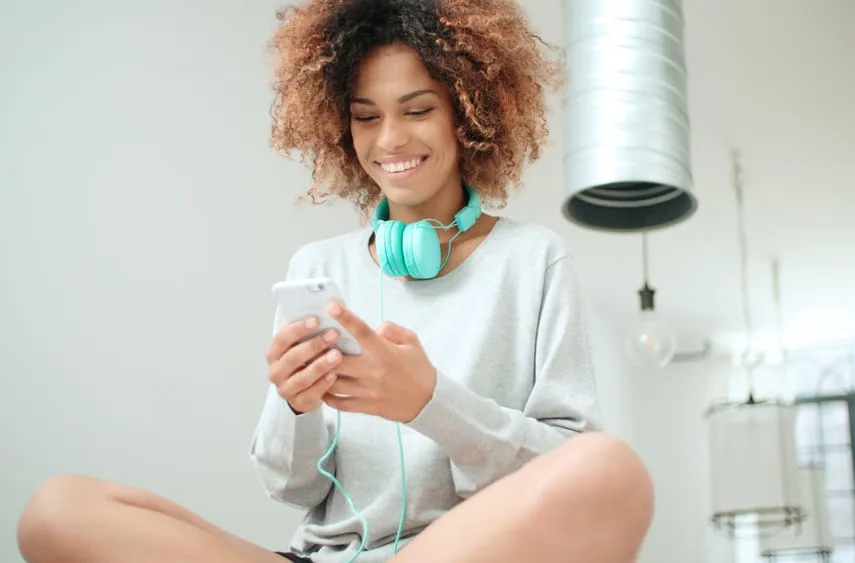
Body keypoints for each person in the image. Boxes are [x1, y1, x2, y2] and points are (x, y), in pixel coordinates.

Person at [15, 0, 655, 562]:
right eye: (366, 116)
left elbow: (565, 469)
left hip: (463, 553)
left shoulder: (534, 259)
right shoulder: (318, 268)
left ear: (467, 112)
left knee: (609, 471)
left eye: (417, 109)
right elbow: (291, 488)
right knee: (55, 511)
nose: (391, 138)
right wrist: (295, 405)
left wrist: (429, 402)